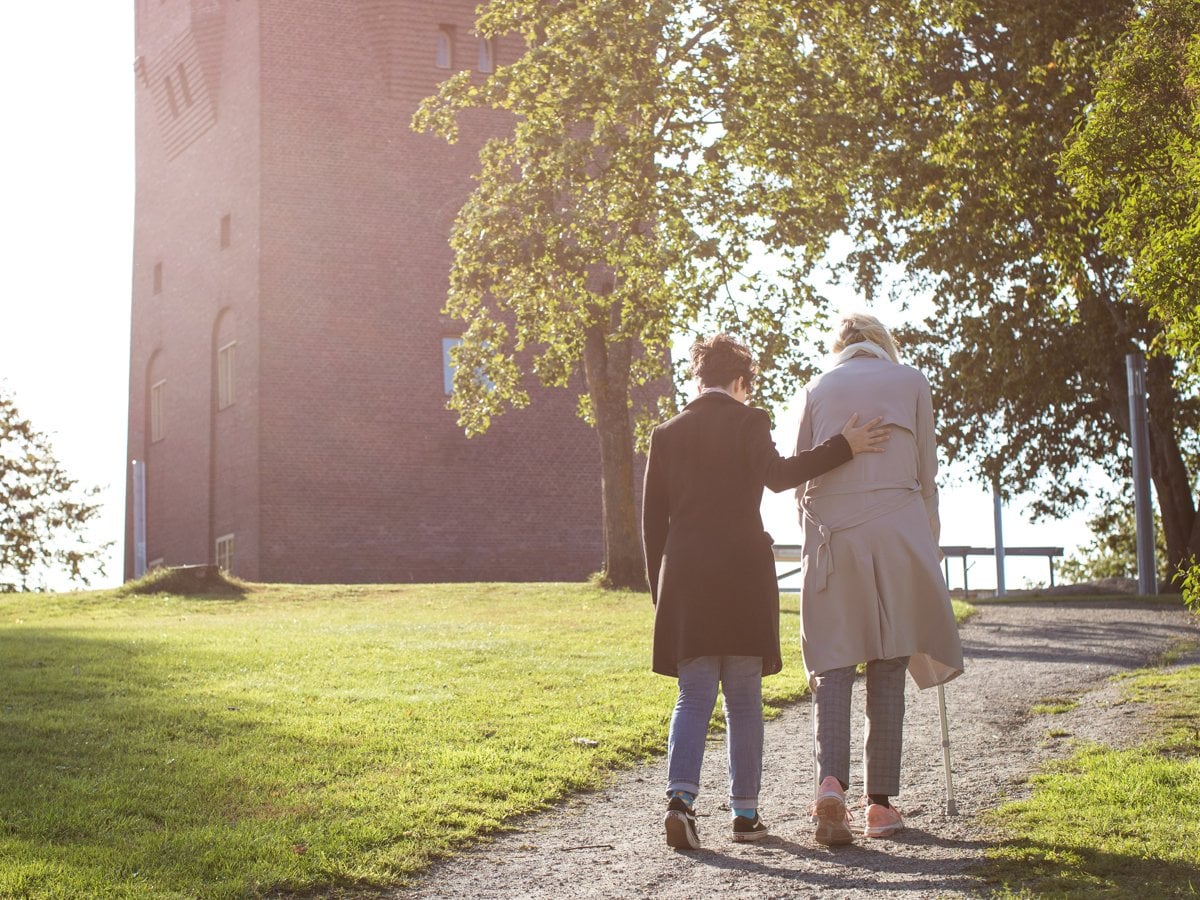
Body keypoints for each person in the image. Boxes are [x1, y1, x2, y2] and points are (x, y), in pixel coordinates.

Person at [642, 333, 890, 850]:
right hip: (740, 574)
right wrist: (844, 446)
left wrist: (659, 593)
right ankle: (745, 815)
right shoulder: (748, 420)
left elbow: (652, 525)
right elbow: (779, 476)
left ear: (698, 377)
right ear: (740, 382)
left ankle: (680, 804)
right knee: (743, 699)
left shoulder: (664, 433)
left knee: (693, 695)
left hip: (686, 579)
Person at [793, 313, 964, 846]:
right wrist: (928, 542)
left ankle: (831, 785)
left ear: (840, 347)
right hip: (898, 533)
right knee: (889, 662)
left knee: (835, 664)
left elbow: (801, 478)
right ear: (882, 343)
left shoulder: (816, 388)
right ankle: (880, 807)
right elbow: (927, 474)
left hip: (834, 537)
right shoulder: (912, 380)